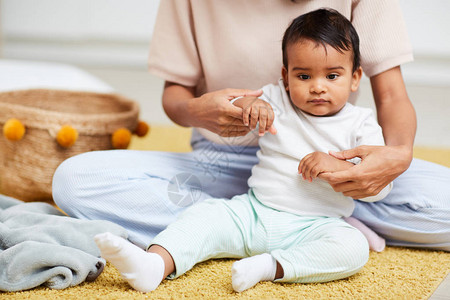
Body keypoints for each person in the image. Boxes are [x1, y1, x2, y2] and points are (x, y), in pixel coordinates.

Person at [52, 1, 450, 251]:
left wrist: (394, 158)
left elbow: (393, 97)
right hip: (221, 165)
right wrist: (197, 111)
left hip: (339, 173)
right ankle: (250, 222)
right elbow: (175, 96)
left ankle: (304, 220)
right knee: (74, 182)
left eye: (331, 76)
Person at [94, 9, 392, 293]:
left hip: (315, 226)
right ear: (286, 77)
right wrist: (251, 107)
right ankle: (154, 264)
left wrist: (338, 166)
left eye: (332, 76)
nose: (317, 87)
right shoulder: (276, 98)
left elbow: (380, 185)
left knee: (352, 248)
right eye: (303, 77)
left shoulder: (361, 124)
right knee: (204, 216)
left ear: (355, 77)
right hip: (252, 213)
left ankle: (269, 267)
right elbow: (236, 104)